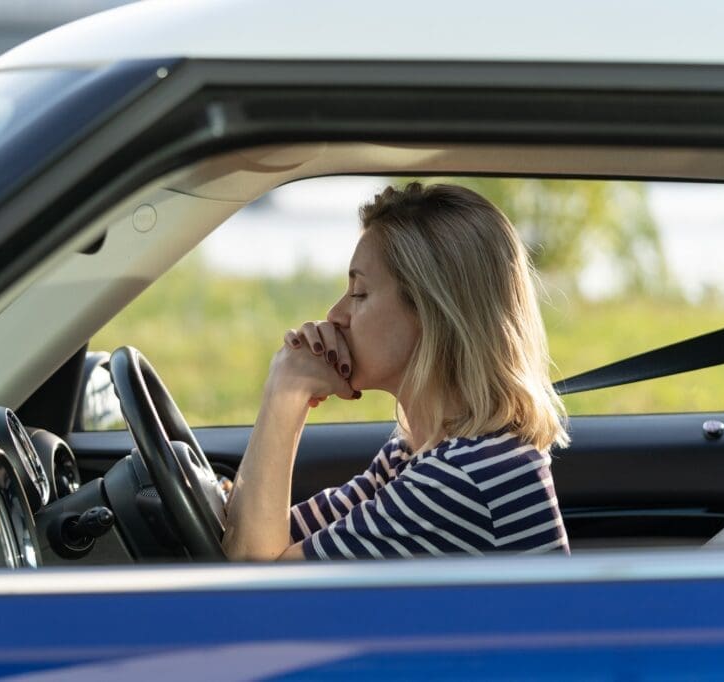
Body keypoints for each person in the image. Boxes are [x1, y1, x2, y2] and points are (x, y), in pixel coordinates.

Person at [222, 182, 570, 561]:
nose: (336, 315)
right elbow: (274, 535)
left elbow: (258, 586)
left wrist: (286, 392)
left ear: (429, 311)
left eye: (359, 294)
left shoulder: (461, 480)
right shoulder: (418, 453)